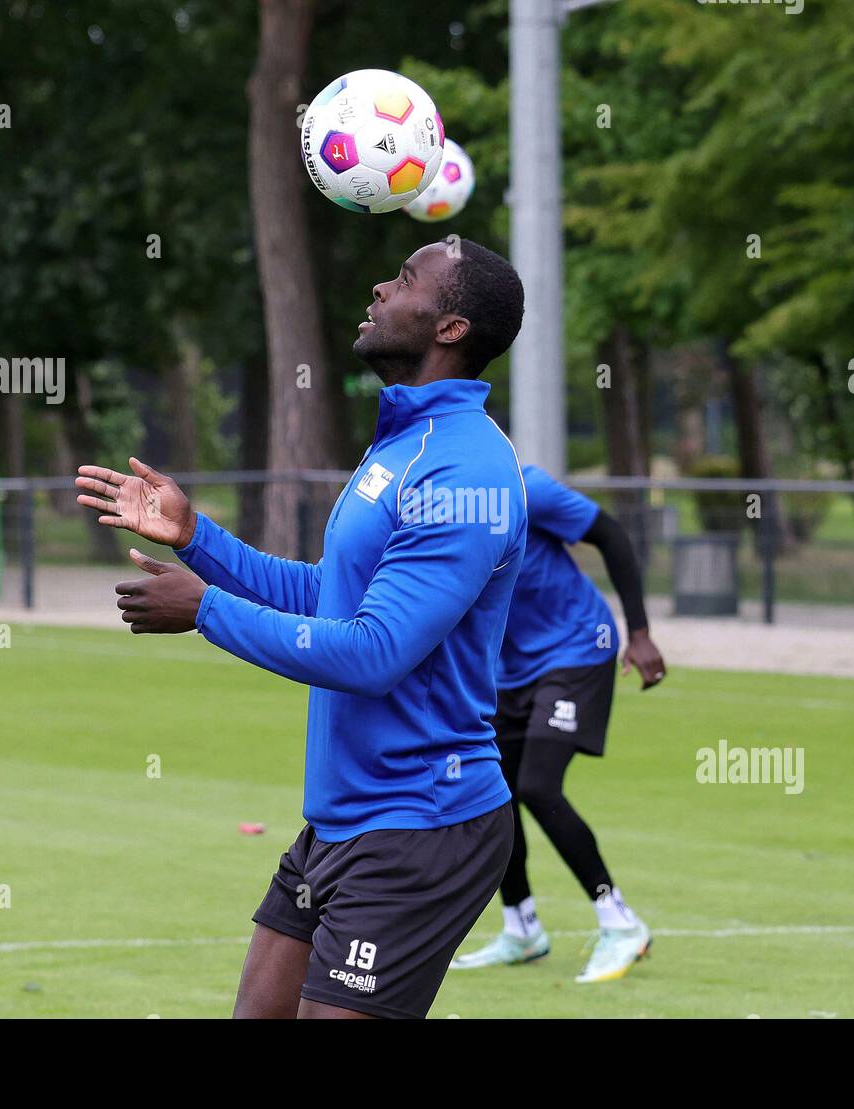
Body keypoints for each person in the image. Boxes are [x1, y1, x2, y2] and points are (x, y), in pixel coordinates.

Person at [75, 241, 527, 1019]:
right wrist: (197, 540)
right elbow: (332, 598)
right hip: (346, 818)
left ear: (450, 327)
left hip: (423, 826)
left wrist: (206, 609)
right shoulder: (400, 444)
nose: (381, 285)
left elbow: (374, 651)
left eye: (407, 280)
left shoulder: (464, 471)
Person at [451, 465, 666, 983]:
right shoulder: (430, 504)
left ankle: (619, 922)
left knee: (538, 787)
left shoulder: (524, 487)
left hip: (577, 648)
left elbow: (609, 533)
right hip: (506, 668)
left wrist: (639, 633)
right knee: (489, 794)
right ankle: (521, 928)